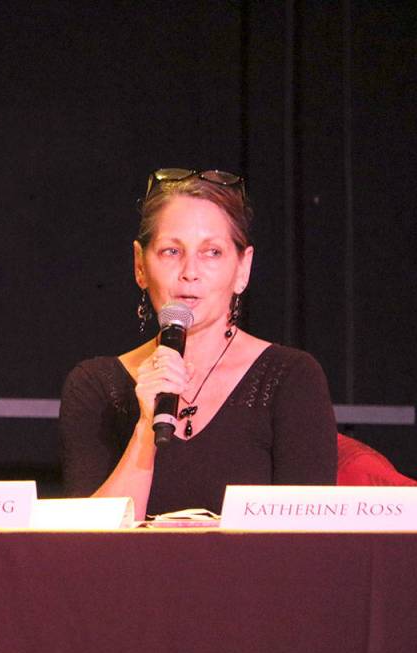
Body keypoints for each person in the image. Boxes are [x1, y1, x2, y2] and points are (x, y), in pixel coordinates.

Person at [58, 168, 336, 519]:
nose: (190, 271)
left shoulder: (292, 377)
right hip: (132, 575)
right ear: (140, 265)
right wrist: (146, 427)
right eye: (171, 251)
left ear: (243, 268)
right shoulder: (95, 385)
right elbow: (82, 549)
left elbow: (311, 540)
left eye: (212, 253)